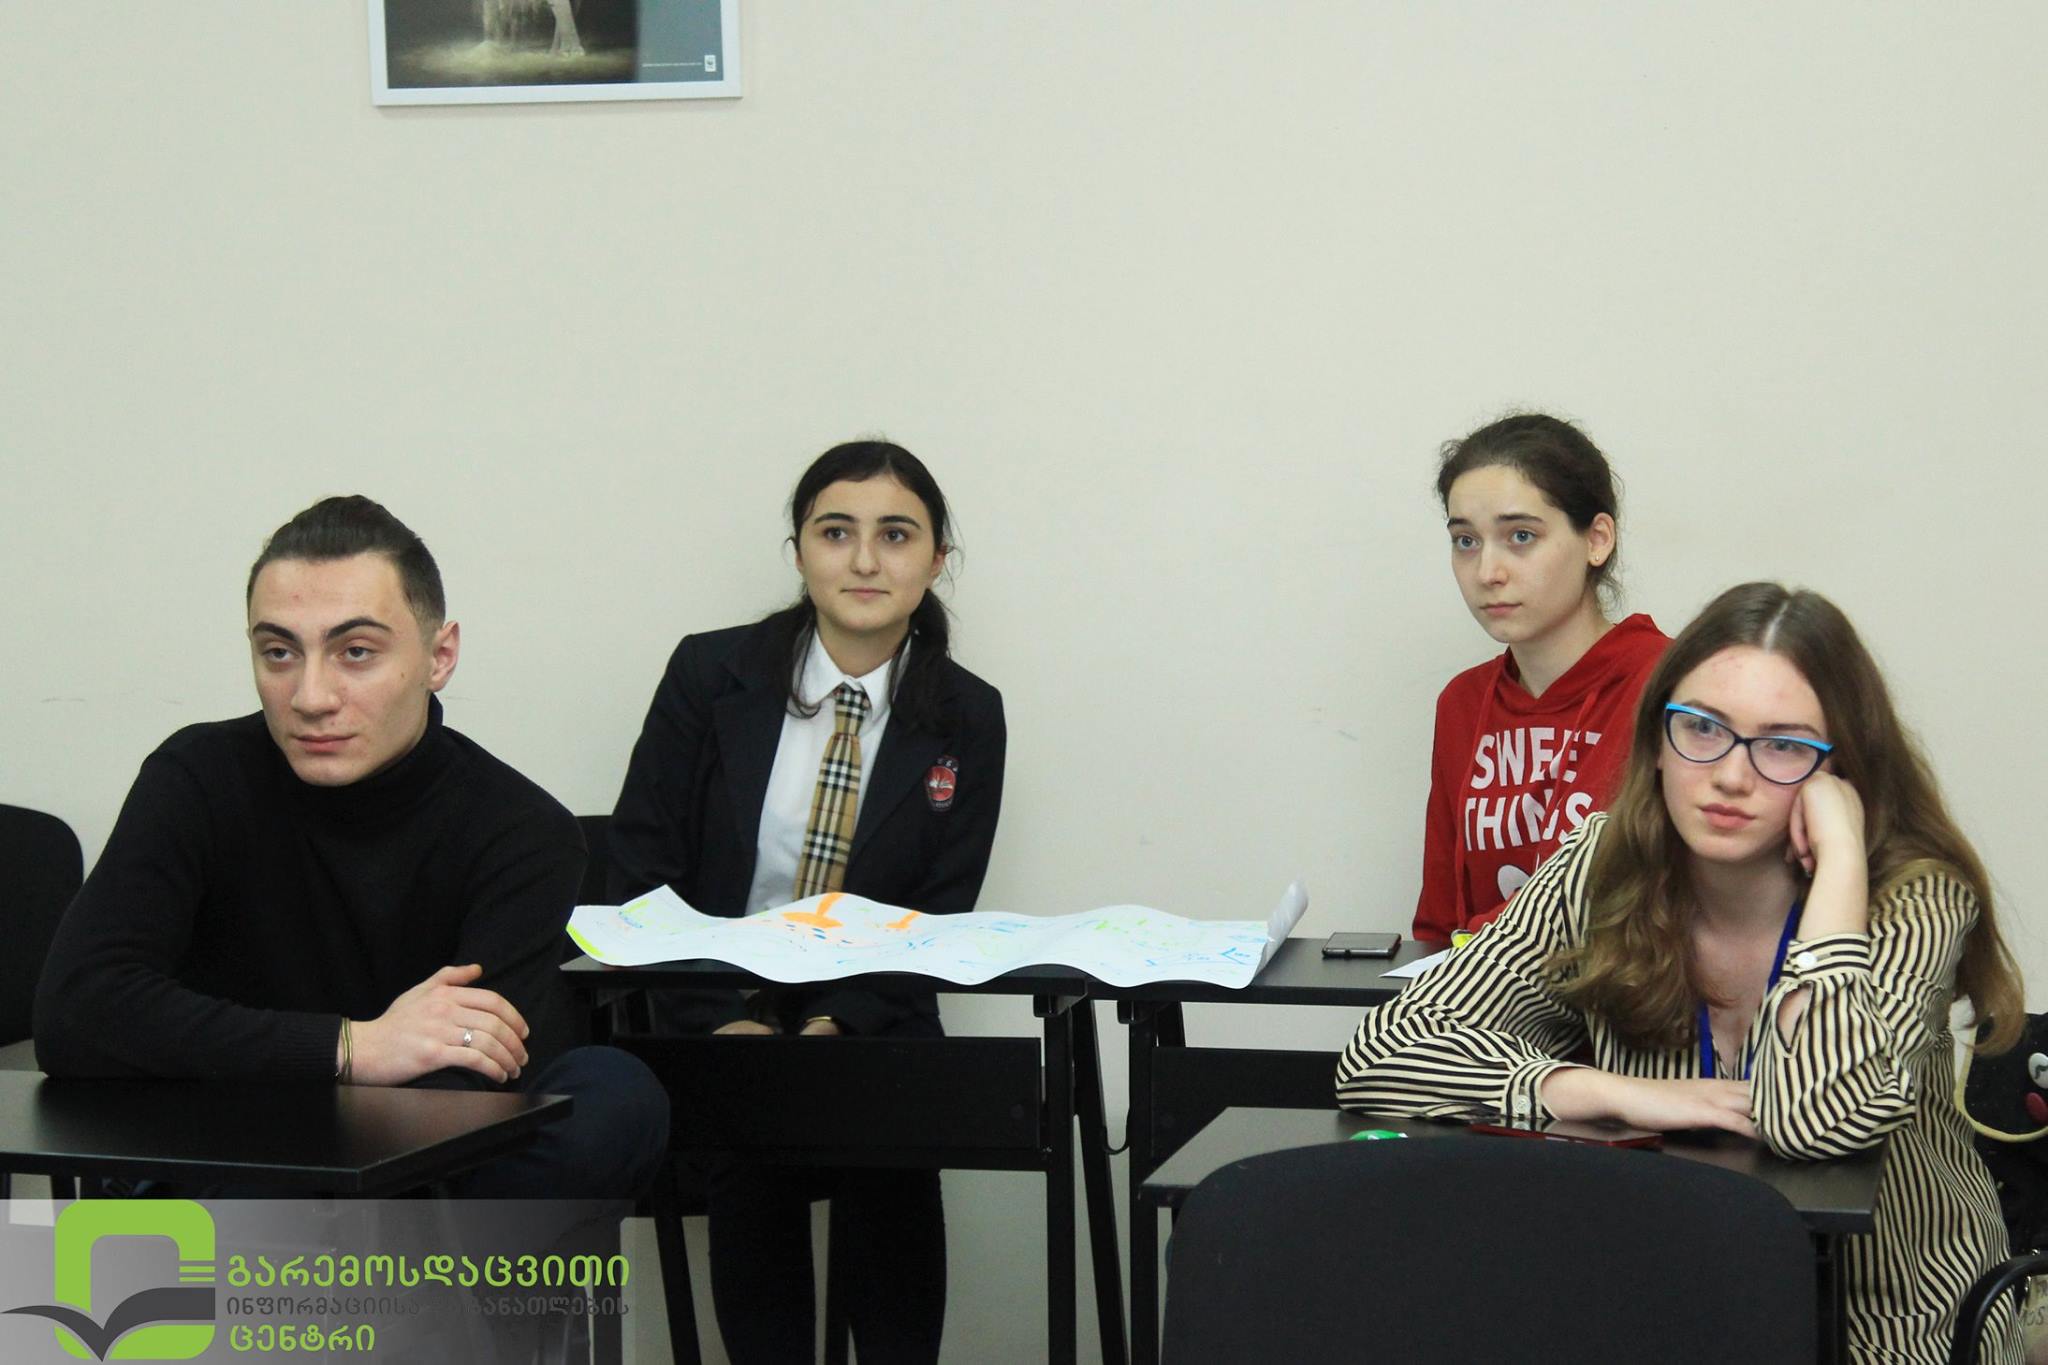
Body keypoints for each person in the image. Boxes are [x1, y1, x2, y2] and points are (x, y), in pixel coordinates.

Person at [1338, 581, 2025, 1364]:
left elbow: (1818, 1117)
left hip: (1887, 1319)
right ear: (1658, 738)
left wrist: (1840, 867)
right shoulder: (1602, 866)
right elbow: (1382, 1051)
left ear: (1842, 770)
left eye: (1783, 745)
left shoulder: (1916, 897)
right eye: (1702, 727)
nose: (1730, 775)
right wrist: (1610, 1091)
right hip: (1677, 1304)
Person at [34, 495, 668, 1201]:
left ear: (439, 656)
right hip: (228, 1146)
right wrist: (350, 1046)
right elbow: (75, 1013)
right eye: (279, 652)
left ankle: (349, 1259)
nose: (310, 696)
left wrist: (260, 1057)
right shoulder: (197, 777)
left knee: (612, 1094)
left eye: (355, 652)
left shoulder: (524, 831)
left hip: (415, 1164)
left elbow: (456, 1084)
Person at [608, 438, 1005, 1365]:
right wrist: (722, 1018)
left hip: (876, 1005)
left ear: (936, 560)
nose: (865, 560)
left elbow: (937, 915)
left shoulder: (968, 712)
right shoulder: (710, 674)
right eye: (836, 532)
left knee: (883, 1119)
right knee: (758, 1121)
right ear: (798, 552)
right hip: (715, 1000)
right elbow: (638, 871)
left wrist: (835, 1022)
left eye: (895, 534)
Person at [1414, 413, 1669, 946]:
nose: (1488, 572)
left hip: (1623, 991)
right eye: (1466, 541)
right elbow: (1437, 924)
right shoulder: (1463, 703)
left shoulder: (1670, 684)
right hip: (1479, 991)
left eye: (1521, 536)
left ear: (1596, 539)